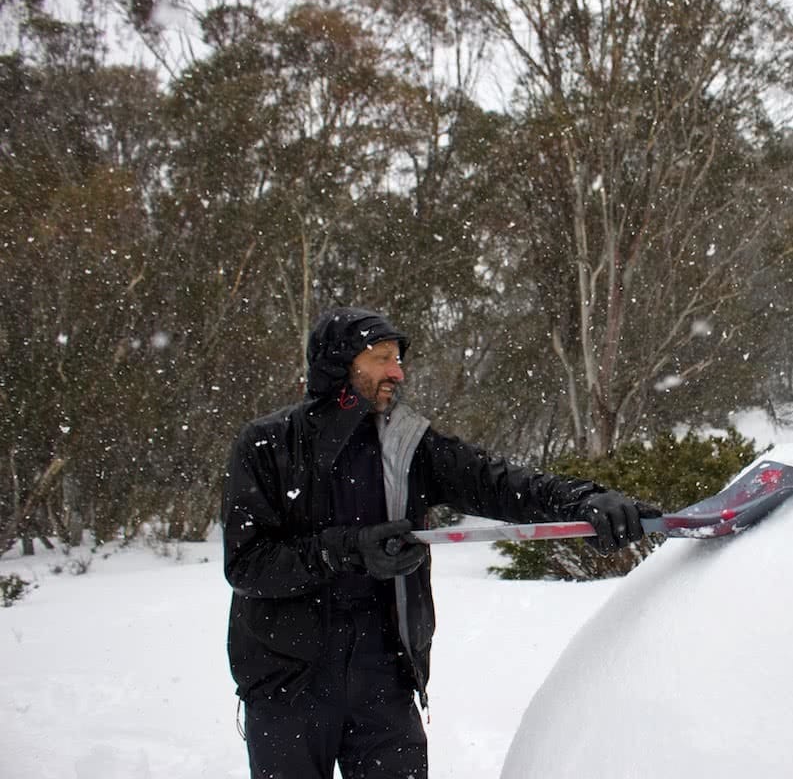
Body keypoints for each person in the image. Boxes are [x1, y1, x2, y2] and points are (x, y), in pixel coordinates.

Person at [221, 307, 660, 779]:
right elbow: (247, 564)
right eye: (382, 357)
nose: (398, 372)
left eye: (398, 359)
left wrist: (584, 501)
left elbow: (498, 482)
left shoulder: (407, 444)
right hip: (288, 682)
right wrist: (346, 549)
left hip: (383, 677)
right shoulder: (268, 444)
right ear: (340, 364)